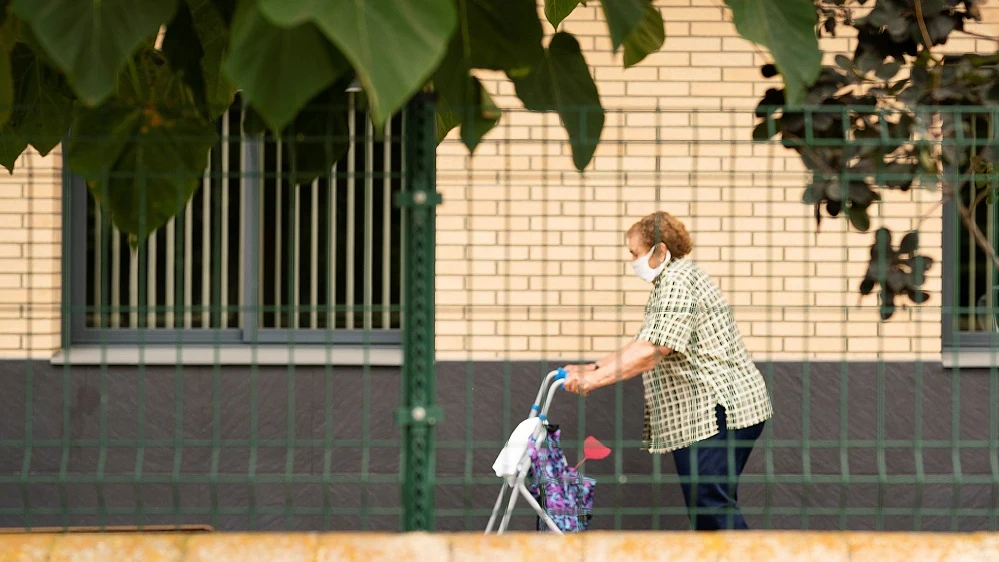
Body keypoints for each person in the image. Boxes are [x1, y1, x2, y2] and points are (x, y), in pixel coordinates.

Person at [561, 211, 773, 531]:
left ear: (659, 251)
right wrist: (590, 367)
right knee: (708, 506)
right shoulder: (675, 280)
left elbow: (653, 350)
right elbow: (643, 342)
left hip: (719, 411)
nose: (632, 261)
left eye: (634, 253)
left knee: (711, 505)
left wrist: (593, 380)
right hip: (713, 412)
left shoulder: (677, 281)